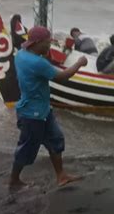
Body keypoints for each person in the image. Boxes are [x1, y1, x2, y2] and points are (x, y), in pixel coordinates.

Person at [9, 26, 88, 189]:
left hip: (43, 109)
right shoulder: (38, 63)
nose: (49, 45)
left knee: (56, 139)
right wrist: (80, 62)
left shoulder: (21, 55)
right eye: (47, 42)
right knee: (27, 147)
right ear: (37, 43)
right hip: (32, 114)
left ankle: (61, 176)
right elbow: (63, 76)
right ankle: (14, 181)